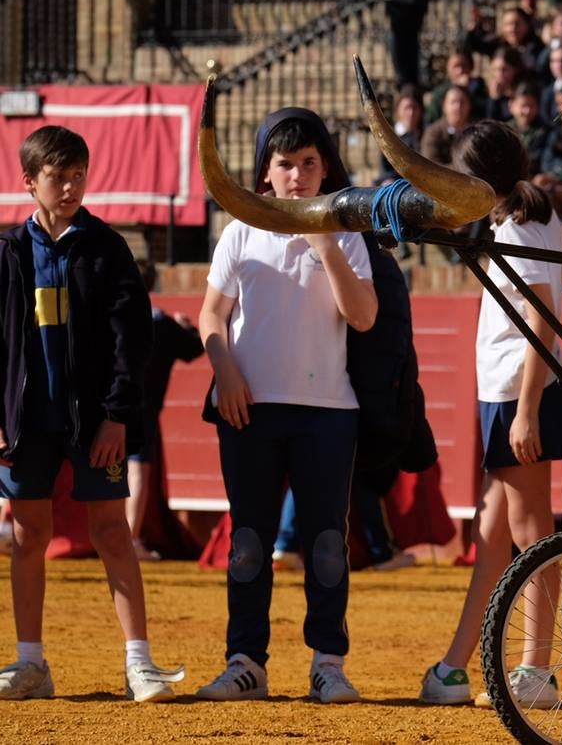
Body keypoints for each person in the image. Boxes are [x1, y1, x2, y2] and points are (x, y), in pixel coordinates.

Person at [195, 109, 377, 704]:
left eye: (307, 163)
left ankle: (329, 661)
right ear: (264, 173)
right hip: (251, 410)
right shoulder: (241, 230)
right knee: (248, 541)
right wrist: (224, 372)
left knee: (326, 544)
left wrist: (325, 243)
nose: (296, 175)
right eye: (284, 164)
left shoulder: (348, 233)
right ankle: (246, 660)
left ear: (325, 170)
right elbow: (212, 315)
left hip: (327, 411)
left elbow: (364, 316)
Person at [0, 126, 183, 703]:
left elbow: (133, 342)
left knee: (111, 531)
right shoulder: (7, 251)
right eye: (59, 176)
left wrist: (118, 415)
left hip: (92, 422)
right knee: (28, 535)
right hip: (26, 421)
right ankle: (31, 663)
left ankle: (139, 663)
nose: (72, 185)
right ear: (30, 182)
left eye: (79, 174)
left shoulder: (106, 247)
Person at [420, 121, 562, 707]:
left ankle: (537, 669)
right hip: (506, 391)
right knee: (492, 531)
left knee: (531, 531)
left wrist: (527, 410)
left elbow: (542, 319)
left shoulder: (525, 220)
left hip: (518, 392)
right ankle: (456, 664)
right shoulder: (517, 216)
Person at [127, 260, 204, 562]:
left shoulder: (107, 316)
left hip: (107, 406)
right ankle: (129, 538)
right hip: (143, 410)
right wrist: (188, 327)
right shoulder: (160, 322)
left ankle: (115, 537)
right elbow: (193, 349)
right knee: (137, 472)